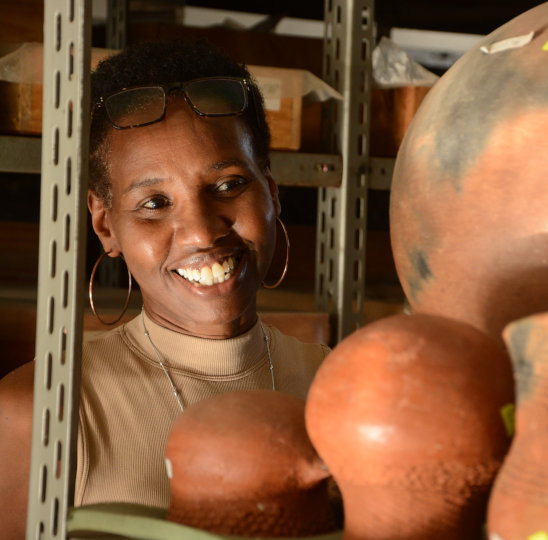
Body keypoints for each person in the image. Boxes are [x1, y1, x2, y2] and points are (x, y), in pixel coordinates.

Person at [0, 40, 329, 538]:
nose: (201, 233)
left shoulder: (337, 385)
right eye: (154, 202)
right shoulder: (41, 411)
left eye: (228, 185)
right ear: (106, 225)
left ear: (271, 191)